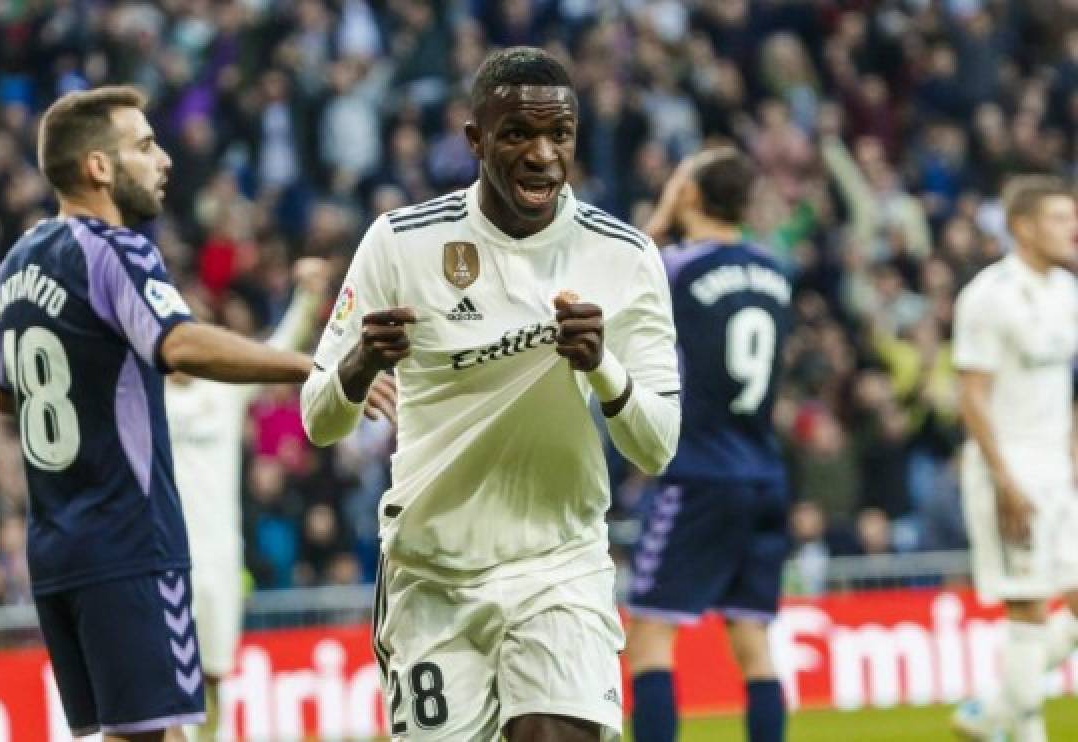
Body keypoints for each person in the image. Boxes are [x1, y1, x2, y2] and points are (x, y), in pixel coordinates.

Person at [301, 46, 682, 741]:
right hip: (430, 576)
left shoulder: (624, 256)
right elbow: (318, 420)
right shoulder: (400, 244)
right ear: (475, 138)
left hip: (558, 565)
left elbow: (656, 446)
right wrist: (358, 366)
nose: (542, 155)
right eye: (517, 134)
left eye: (558, 135)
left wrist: (604, 368)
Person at [0, 86, 314, 742]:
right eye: (143, 146)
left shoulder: (16, 264)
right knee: (153, 735)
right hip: (130, 545)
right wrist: (313, 368)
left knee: (127, 734)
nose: (162, 160)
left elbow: (4, 395)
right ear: (99, 169)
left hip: (56, 550)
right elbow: (179, 342)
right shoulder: (117, 249)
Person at [627, 147, 793, 742]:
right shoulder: (776, 272)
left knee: (649, 635)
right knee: (753, 640)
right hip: (764, 471)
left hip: (699, 470)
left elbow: (624, 274)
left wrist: (661, 214)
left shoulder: (674, 267)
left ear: (689, 196)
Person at [165, 256, 343, 742]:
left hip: (221, 558)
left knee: (214, 678)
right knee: (166, 689)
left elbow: (278, 351)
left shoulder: (222, 391)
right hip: (164, 561)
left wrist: (307, 298)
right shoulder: (141, 395)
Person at [951, 176, 1078, 742]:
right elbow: (971, 393)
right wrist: (1005, 479)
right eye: (1058, 218)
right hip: (1010, 468)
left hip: (1059, 469)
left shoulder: (1068, 291)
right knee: (1026, 611)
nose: (1072, 228)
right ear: (1022, 227)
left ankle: (993, 710)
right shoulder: (988, 295)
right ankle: (1019, 723)